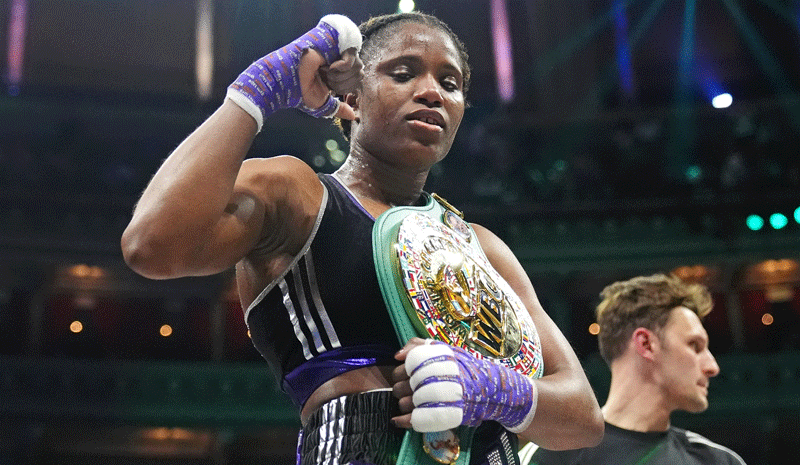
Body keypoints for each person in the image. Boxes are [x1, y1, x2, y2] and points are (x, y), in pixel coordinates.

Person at [121, 10, 603, 465]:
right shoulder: (296, 197)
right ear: (352, 98)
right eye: (403, 73)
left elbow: (583, 417)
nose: (431, 92)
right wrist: (256, 92)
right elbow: (152, 246)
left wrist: (493, 388)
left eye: (450, 83)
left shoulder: (482, 245)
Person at [521, 273, 746, 465]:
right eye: (694, 346)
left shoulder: (720, 461)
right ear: (646, 344)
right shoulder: (553, 455)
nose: (712, 367)